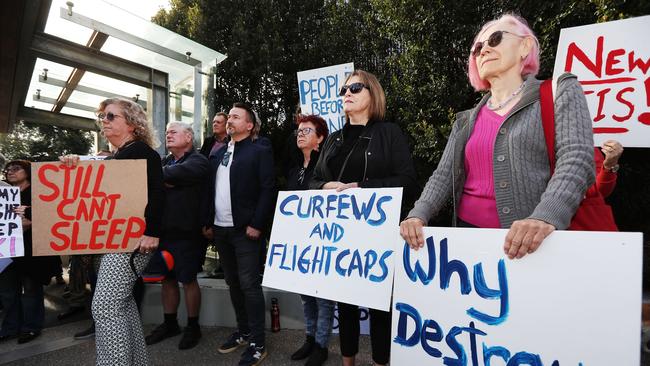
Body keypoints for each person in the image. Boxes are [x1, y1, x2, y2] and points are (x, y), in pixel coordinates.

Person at [400, 14, 595, 260]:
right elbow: (442, 175)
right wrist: (417, 214)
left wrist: (545, 216)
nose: (484, 50)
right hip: (467, 240)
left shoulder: (560, 90)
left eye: (495, 39)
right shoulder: (465, 120)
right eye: (477, 49)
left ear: (525, 46)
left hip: (533, 243)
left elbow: (576, 158)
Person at [310, 69, 417, 366]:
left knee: (381, 306)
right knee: (344, 305)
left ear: (373, 94)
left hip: (378, 236)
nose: (347, 93)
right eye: (344, 89)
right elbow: (312, 182)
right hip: (340, 236)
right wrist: (326, 186)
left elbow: (408, 180)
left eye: (355, 88)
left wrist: (363, 188)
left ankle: (381, 361)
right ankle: (348, 362)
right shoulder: (332, 139)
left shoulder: (389, 133)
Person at [61, 97, 164, 365]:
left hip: (133, 241)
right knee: (123, 304)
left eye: (110, 116)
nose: (103, 121)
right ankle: (137, 362)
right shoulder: (117, 156)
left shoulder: (142, 152)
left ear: (131, 123)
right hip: (114, 241)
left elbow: (156, 193)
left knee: (105, 306)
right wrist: (72, 165)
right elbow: (90, 188)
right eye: (102, 117)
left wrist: (151, 231)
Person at [204, 102, 275, 366]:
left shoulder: (259, 150)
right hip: (221, 229)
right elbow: (210, 189)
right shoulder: (219, 152)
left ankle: (258, 342)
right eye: (229, 116)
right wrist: (208, 220)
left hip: (245, 230)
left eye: (236, 116)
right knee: (233, 283)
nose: (230, 119)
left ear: (249, 125)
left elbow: (268, 188)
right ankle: (244, 331)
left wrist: (257, 223)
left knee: (249, 285)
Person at [144, 122, 209, 350]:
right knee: (167, 279)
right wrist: (165, 180)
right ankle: (170, 324)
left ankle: (193, 327)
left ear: (189, 137)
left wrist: (162, 178)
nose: (167, 134)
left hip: (188, 233)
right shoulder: (164, 162)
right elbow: (155, 183)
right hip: (163, 234)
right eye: (167, 131)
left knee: (188, 280)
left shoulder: (199, 160)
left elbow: (167, 176)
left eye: (174, 131)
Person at [285, 115, 332, 366]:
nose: (300, 134)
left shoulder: (325, 167)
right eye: (299, 131)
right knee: (306, 295)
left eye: (307, 130)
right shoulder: (294, 170)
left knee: (323, 297)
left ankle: (322, 345)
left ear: (320, 137)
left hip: (322, 241)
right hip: (300, 242)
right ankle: (310, 338)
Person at [0, 160, 60, 344]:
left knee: (31, 290)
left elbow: (53, 215)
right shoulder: (4, 195)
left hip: (31, 251)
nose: (10, 171)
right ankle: (10, 327)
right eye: (7, 169)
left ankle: (31, 327)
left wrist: (32, 222)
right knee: (8, 292)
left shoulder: (40, 193)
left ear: (27, 171)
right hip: (8, 251)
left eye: (16, 168)